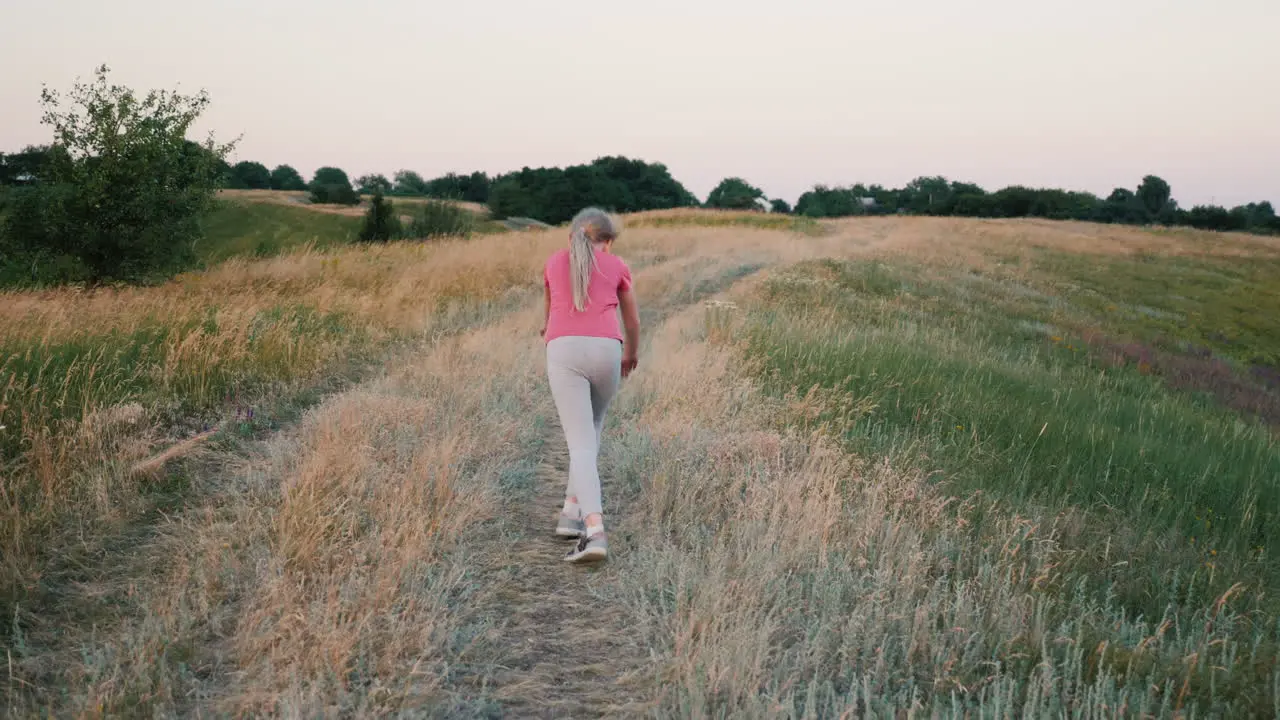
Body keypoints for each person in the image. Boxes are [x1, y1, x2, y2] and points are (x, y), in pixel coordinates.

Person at [540, 207, 640, 563]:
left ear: (571, 238)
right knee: (591, 432)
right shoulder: (617, 266)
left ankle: (593, 532)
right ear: (608, 242)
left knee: (580, 443)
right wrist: (631, 355)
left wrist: (550, 334)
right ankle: (570, 512)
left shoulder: (554, 262)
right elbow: (631, 320)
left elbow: (550, 311)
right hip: (607, 351)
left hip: (565, 350)